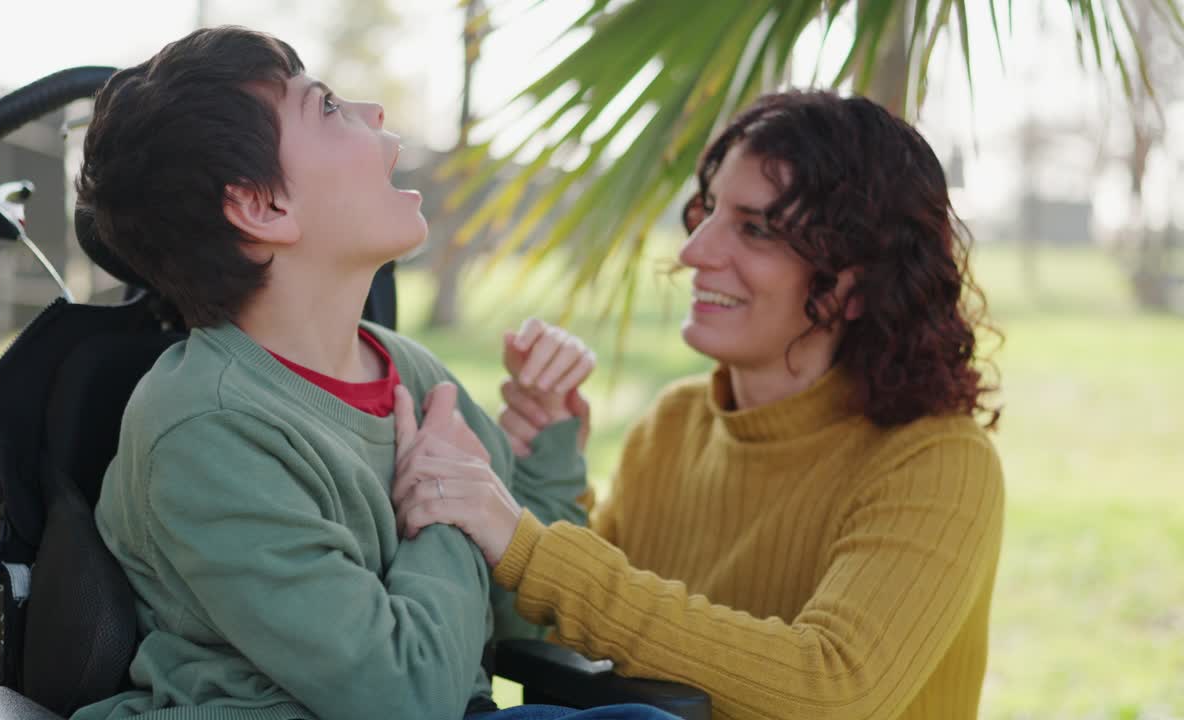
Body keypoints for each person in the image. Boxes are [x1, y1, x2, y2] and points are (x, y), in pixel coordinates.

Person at [68, 26, 675, 720]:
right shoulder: (205, 429)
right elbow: (404, 700)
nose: (375, 113)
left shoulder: (408, 372)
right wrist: (446, 509)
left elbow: (527, 620)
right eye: (325, 106)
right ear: (263, 207)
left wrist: (549, 442)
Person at [394, 90, 1006, 720]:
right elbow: (565, 637)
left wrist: (526, 544)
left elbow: (832, 688)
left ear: (858, 284)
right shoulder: (675, 424)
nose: (694, 251)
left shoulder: (940, 460)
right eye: (709, 211)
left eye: (757, 229)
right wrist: (550, 462)